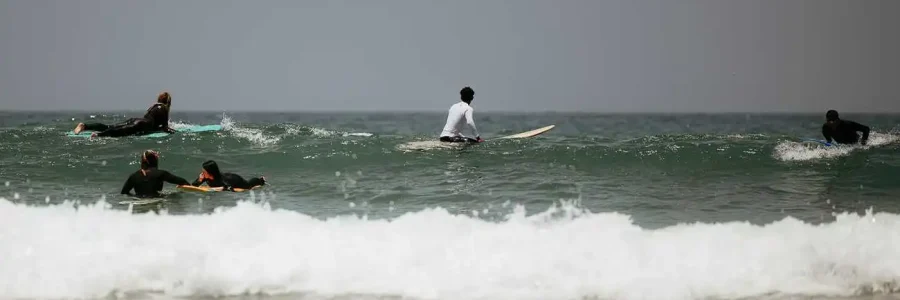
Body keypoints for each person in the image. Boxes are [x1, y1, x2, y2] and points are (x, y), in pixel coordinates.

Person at [73, 91, 176, 138]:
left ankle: (85, 126)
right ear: (168, 102)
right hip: (142, 124)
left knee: (111, 126)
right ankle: (99, 135)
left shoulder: (154, 106)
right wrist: (174, 132)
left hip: (137, 120)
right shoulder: (164, 108)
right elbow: (165, 127)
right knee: (121, 132)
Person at [121, 150, 191, 198]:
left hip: (139, 202)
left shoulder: (133, 176)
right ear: (155, 161)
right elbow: (182, 181)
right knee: (175, 195)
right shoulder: (161, 173)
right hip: (156, 200)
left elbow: (124, 193)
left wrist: (136, 198)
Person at [191, 160, 266, 191]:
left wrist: (214, 189)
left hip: (236, 180)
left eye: (204, 171)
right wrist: (200, 180)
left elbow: (229, 188)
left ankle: (261, 180)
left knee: (249, 186)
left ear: (210, 172)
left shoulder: (222, 180)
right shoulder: (204, 176)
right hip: (228, 177)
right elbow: (193, 185)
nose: (202, 172)